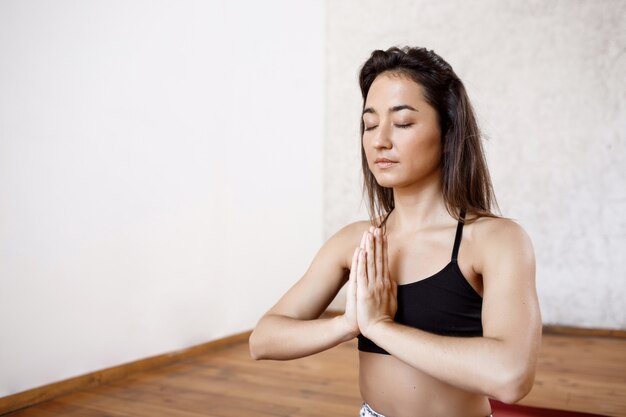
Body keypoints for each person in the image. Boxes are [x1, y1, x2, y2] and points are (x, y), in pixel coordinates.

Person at [249, 46, 542, 417]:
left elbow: (511, 376)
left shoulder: (496, 241)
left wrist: (380, 327)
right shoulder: (354, 242)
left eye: (402, 123)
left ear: (448, 131)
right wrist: (348, 324)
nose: (379, 140)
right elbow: (263, 339)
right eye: (370, 124)